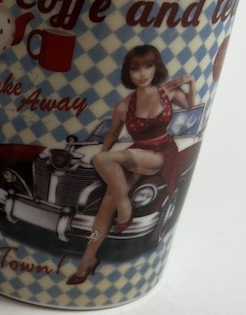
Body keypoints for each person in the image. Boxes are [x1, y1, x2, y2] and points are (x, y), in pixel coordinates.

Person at [66, 44, 195, 285]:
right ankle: (88, 259)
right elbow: (112, 135)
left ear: (156, 67)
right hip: (135, 154)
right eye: (135, 69)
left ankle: (124, 203)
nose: (142, 73)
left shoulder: (167, 92)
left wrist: (191, 83)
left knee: (101, 159)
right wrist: (105, 164)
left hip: (161, 152)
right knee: (106, 205)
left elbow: (190, 106)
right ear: (128, 73)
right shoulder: (123, 106)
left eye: (148, 66)